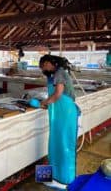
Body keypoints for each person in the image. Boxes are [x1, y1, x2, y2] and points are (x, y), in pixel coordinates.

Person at [39, 54, 80, 189]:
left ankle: (64, 180)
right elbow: (54, 95)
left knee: (64, 145)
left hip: (66, 114)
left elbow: (58, 94)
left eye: (44, 65)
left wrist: (44, 102)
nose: (43, 69)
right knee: (55, 144)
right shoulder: (54, 75)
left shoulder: (60, 73)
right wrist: (47, 103)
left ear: (51, 62)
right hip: (57, 114)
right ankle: (52, 176)